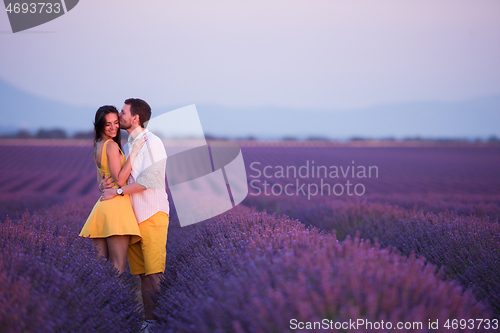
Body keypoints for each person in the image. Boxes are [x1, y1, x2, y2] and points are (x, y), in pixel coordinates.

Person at [101, 98, 169, 330]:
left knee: (154, 274)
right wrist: (108, 184)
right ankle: (148, 323)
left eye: (123, 112)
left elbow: (150, 180)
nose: (119, 116)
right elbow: (123, 177)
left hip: (153, 214)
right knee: (142, 275)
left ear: (136, 117)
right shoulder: (130, 145)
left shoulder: (153, 142)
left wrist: (118, 191)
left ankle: (160, 323)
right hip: (134, 218)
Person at [79, 105, 146, 275]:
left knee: (99, 268)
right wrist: (134, 152)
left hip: (102, 209)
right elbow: (120, 179)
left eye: (116, 122)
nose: (114, 127)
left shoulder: (98, 145)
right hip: (116, 208)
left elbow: (100, 183)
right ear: (100, 125)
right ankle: (114, 301)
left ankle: (99, 301)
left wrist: (103, 185)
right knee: (118, 266)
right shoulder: (110, 146)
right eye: (108, 124)